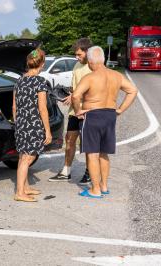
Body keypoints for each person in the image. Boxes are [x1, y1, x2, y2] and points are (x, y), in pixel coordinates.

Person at [72, 46, 138, 198]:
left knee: (92, 154)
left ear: (90, 61)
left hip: (92, 116)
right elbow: (133, 91)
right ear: (102, 59)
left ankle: (95, 190)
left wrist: (77, 111)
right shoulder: (116, 75)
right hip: (109, 115)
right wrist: (120, 109)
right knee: (104, 153)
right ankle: (104, 185)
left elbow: (76, 96)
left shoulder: (89, 77)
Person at [49, 38, 92, 184]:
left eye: (79, 54)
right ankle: (66, 171)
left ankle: (90, 172)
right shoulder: (77, 65)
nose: (77, 57)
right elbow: (76, 87)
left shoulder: (93, 67)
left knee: (86, 143)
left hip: (87, 110)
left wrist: (74, 95)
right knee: (69, 140)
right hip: (75, 110)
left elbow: (93, 90)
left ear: (87, 52)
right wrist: (69, 94)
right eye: (76, 54)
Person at [13, 48, 52, 202]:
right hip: (33, 124)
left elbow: (14, 107)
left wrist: (18, 123)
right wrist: (47, 131)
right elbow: (42, 108)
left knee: (23, 156)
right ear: (41, 64)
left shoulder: (19, 81)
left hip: (21, 123)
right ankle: (19, 193)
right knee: (28, 159)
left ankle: (25, 187)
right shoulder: (40, 81)